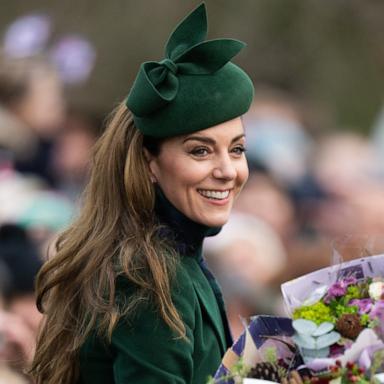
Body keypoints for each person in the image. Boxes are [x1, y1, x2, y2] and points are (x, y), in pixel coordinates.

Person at [31, 4, 254, 384]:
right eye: (200, 150)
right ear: (149, 163)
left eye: (236, 149)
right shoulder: (149, 278)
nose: (227, 171)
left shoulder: (171, 261)